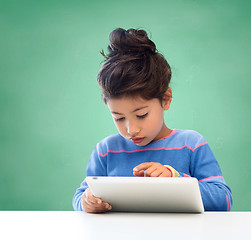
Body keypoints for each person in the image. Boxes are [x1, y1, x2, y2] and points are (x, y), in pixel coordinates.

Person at [72, 27, 233, 213]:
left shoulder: (190, 144)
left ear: (165, 99)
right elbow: (81, 196)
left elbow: (224, 201)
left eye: (141, 115)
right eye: (119, 118)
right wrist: (86, 203)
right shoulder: (106, 151)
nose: (131, 129)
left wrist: (176, 180)